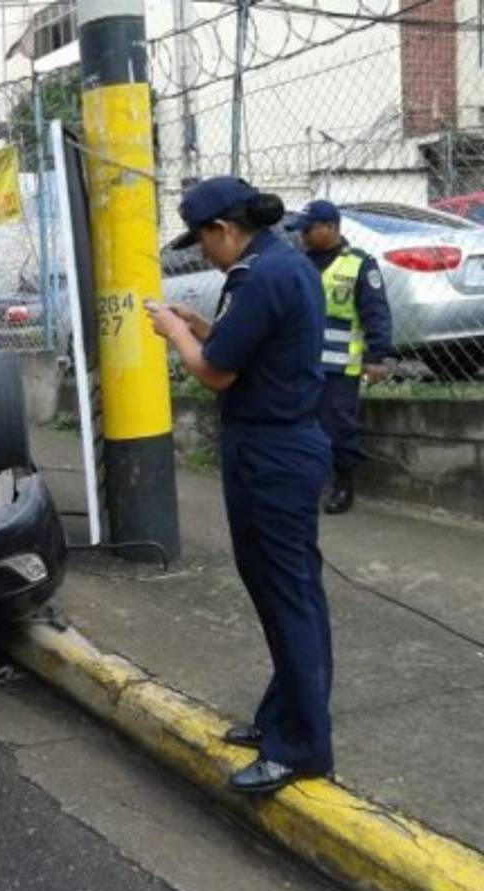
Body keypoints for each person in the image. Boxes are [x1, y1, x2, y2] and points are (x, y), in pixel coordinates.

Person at [147, 176, 334, 794]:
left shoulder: (263, 275)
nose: (201, 254)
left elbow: (218, 375)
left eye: (203, 241)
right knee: (288, 591)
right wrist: (202, 326)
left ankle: (302, 745)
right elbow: (241, 347)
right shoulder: (281, 264)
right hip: (280, 446)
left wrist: (177, 337)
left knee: (287, 595)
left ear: (225, 230)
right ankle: (285, 718)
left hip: (272, 453)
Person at [286, 200, 393, 514]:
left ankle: (343, 484)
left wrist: (377, 356)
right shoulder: (298, 263)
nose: (302, 235)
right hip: (300, 364)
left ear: (331, 227)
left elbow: (375, 313)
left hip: (340, 367)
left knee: (339, 428)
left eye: (308, 229)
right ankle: (308, 484)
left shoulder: (359, 264)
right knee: (300, 426)